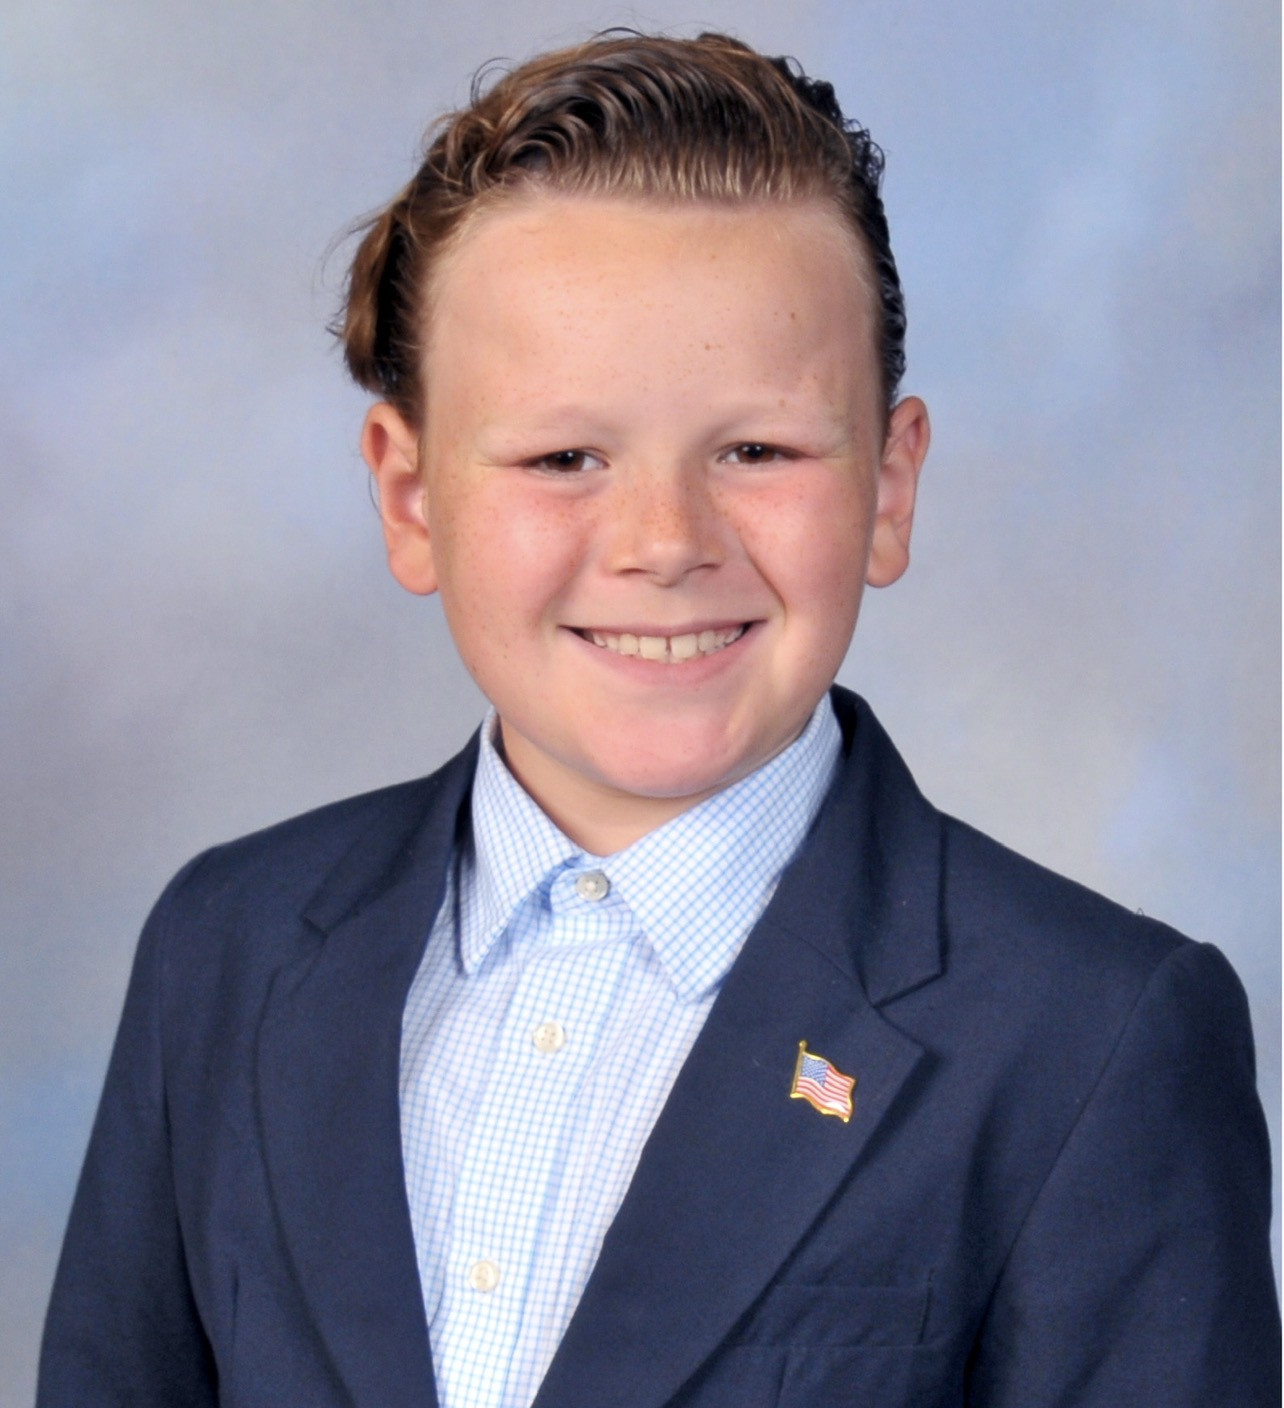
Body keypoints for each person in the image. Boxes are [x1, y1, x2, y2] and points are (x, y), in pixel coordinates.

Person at [36, 30, 1278, 1408]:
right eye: (564, 456)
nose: (664, 542)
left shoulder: (1095, 1040)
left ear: (888, 486)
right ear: (410, 497)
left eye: (757, 450)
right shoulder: (228, 951)